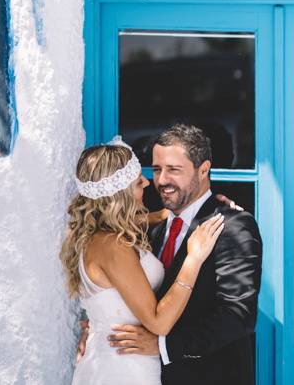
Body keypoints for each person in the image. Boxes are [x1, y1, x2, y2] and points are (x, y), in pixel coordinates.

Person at [105, 124, 263, 385]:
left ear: (203, 170)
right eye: (157, 170)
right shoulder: (153, 226)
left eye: (174, 170)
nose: (162, 180)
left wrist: (164, 346)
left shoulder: (232, 225)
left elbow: (238, 315)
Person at [61, 139, 225, 385]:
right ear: (122, 195)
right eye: (139, 182)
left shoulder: (101, 235)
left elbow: (135, 222)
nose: (148, 183)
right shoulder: (113, 247)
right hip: (121, 370)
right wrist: (193, 259)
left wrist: (184, 211)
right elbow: (159, 322)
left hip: (121, 361)